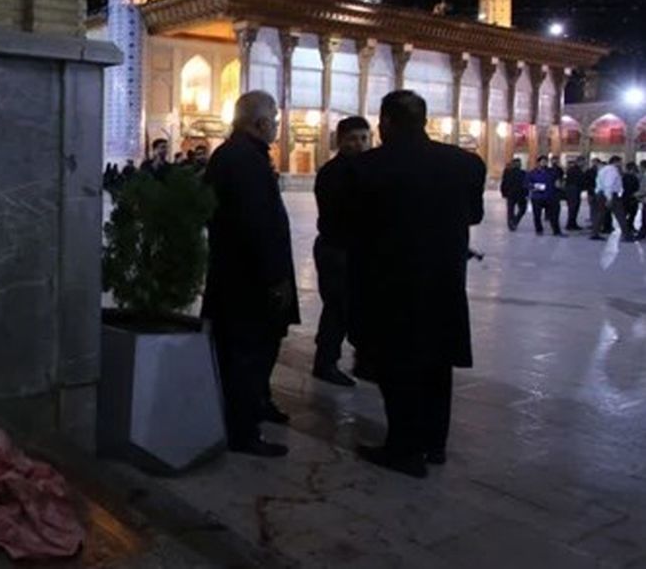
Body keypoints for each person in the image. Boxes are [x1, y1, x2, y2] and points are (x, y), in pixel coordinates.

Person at [345, 90, 485, 478]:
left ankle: (404, 449)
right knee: (437, 365)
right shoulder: (465, 164)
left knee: (397, 366)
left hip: (389, 287)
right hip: (443, 284)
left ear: (386, 122)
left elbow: (347, 228)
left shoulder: (367, 168)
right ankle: (434, 444)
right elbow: (473, 215)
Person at [202, 90, 298, 457]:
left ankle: (255, 406)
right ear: (260, 123)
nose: (276, 126)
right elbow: (256, 226)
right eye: (274, 120)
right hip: (249, 282)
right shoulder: (245, 160)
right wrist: (274, 280)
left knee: (247, 351)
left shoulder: (236, 154)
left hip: (237, 276)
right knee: (246, 354)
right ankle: (243, 431)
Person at [312, 116, 372, 387]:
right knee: (338, 307)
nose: (359, 145)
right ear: (340, 141)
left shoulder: (365, 168)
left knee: (352, 305)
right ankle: (325, 361)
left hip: (353, 249)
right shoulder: (334, 173)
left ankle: (360, 359)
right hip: (337, 249)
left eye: (364, 138)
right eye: (352, 139)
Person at [591, 155, 637, 241]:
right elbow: (609, 184)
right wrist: (609, 198)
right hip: (611, 195)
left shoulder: (603, 169)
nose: (621, 164)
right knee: (620, 214)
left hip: (601, 194)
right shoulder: (612, 171)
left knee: (600, 214)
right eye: (620, 162)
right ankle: (626, 235)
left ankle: (595, 233)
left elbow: (598, 182)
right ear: (616, 162)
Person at [526, 155, 563, 237]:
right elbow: (527, 184)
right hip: (537, 197)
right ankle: (539, 230)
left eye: (545, 161)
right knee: (537, 215)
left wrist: (558, 185)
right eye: (542, 161)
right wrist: (536, 186)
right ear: (538, 163)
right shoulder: (532, 173)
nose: (544, 163)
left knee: (554, 215)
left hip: (550, 196)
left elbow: (557, 181)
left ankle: (556, 230)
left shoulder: (551, 172)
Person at [500, 158, 527, 232]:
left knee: (521, 209)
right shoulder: (508, 172)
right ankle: (511, 223)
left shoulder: (523, 173)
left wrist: (526, 192)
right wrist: (503, 192)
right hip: (512, 194)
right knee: (511, 210)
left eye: (519, 163)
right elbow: (504, 183)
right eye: (516, 163)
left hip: (519, 194)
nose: (518, 165)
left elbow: (526, 183)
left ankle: (514, 221)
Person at [564, 157, 586, 230]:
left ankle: (573, 223)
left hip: (575, 190)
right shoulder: (574, 170)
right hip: (573, 190)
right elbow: (577, 180)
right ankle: (570, 224)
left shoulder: (578, 169)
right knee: (573, 208)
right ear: (578, 162)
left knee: (575, 207)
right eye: (582, 162)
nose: (583, 163)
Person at [623, 162, 641, 231]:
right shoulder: (630, 177)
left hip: (628, 197)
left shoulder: (625, 177)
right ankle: (628, 227)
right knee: (630, 213)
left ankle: (628, 226)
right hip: (630, 197)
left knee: (630, 213)